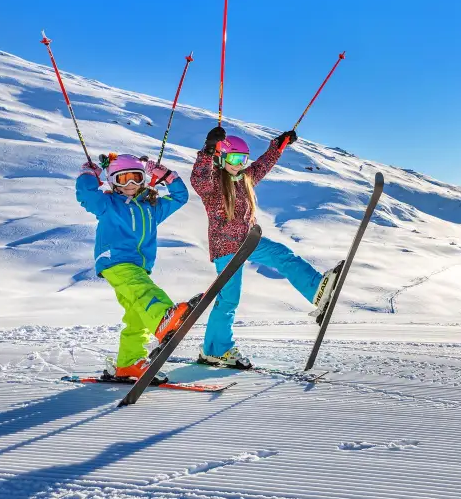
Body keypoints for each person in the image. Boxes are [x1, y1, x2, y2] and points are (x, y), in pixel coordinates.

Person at [190, 126, 342, 369]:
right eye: (234, 159)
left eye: (243, 159)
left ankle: (316, 291)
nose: (239, 164)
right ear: (222, 157)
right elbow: (198, 179)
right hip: (226, 246)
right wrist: (208, 149)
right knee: (229, 299)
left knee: (284, 256)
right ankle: (215, 350)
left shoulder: (246, 178)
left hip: (249, 241)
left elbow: (263, 165)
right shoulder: (214, 183)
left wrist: (279, 145)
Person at [75, 153, 192, 380]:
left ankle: (128, 363)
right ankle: (163, 318)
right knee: (145, 292)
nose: (129, 184)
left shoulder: (152, 207)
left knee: (136, 315)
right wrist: (90, 174)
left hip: (139, 266)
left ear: (143, 179)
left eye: (135, 177)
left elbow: (180, 197)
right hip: (116, 261)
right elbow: (86, 195)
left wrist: (167, 175)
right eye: (122, 179)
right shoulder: (108, 205)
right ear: (112, 182)